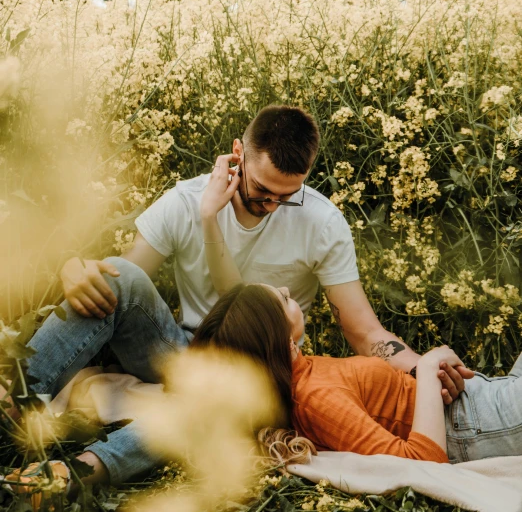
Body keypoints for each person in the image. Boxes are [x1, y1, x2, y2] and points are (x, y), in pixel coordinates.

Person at [5, 106, 466, 487]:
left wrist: (427, 372)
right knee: (118, 278)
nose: (270, 206)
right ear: (238, 155)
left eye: (286, 197)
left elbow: (365, 331)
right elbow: (121, 283)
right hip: (185, 349)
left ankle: (74, 474)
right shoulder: (184, 201)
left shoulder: (323, 222)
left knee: (219, 398)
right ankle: (12, 404)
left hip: (262, 366)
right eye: (262, 191)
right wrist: (75, 269)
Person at [191, 281, 522, 465]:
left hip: (481, 403)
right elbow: (421, 461)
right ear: (278, 337)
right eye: (284, 299)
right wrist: (428, 365)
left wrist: (422, 377)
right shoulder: (315, 400)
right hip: (476, 423)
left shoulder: (302, 372)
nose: (287, 290)